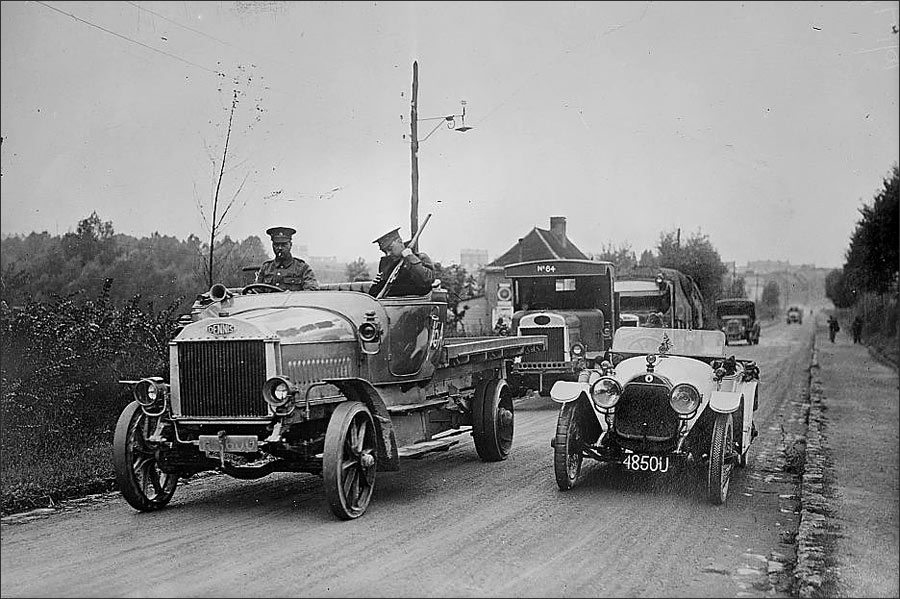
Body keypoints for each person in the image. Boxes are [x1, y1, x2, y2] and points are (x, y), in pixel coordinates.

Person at [368, 227, 435, 298]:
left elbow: (426, 280)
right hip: (390, 305)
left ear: (399, 241)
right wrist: (376, 285)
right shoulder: (386, 264)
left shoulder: (420, 258)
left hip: (414, 304)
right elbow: (377, 294)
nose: (388, 254)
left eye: (390, 249)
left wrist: (410, 257)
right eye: (384, 251)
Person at [255, 226, 319, 291]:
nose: (280, 248)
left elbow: (311, 291)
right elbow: (256, 291)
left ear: (290, 245)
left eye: (284, 245)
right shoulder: (266, 268)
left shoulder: (302, 268)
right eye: (276, 245)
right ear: (272, 246)